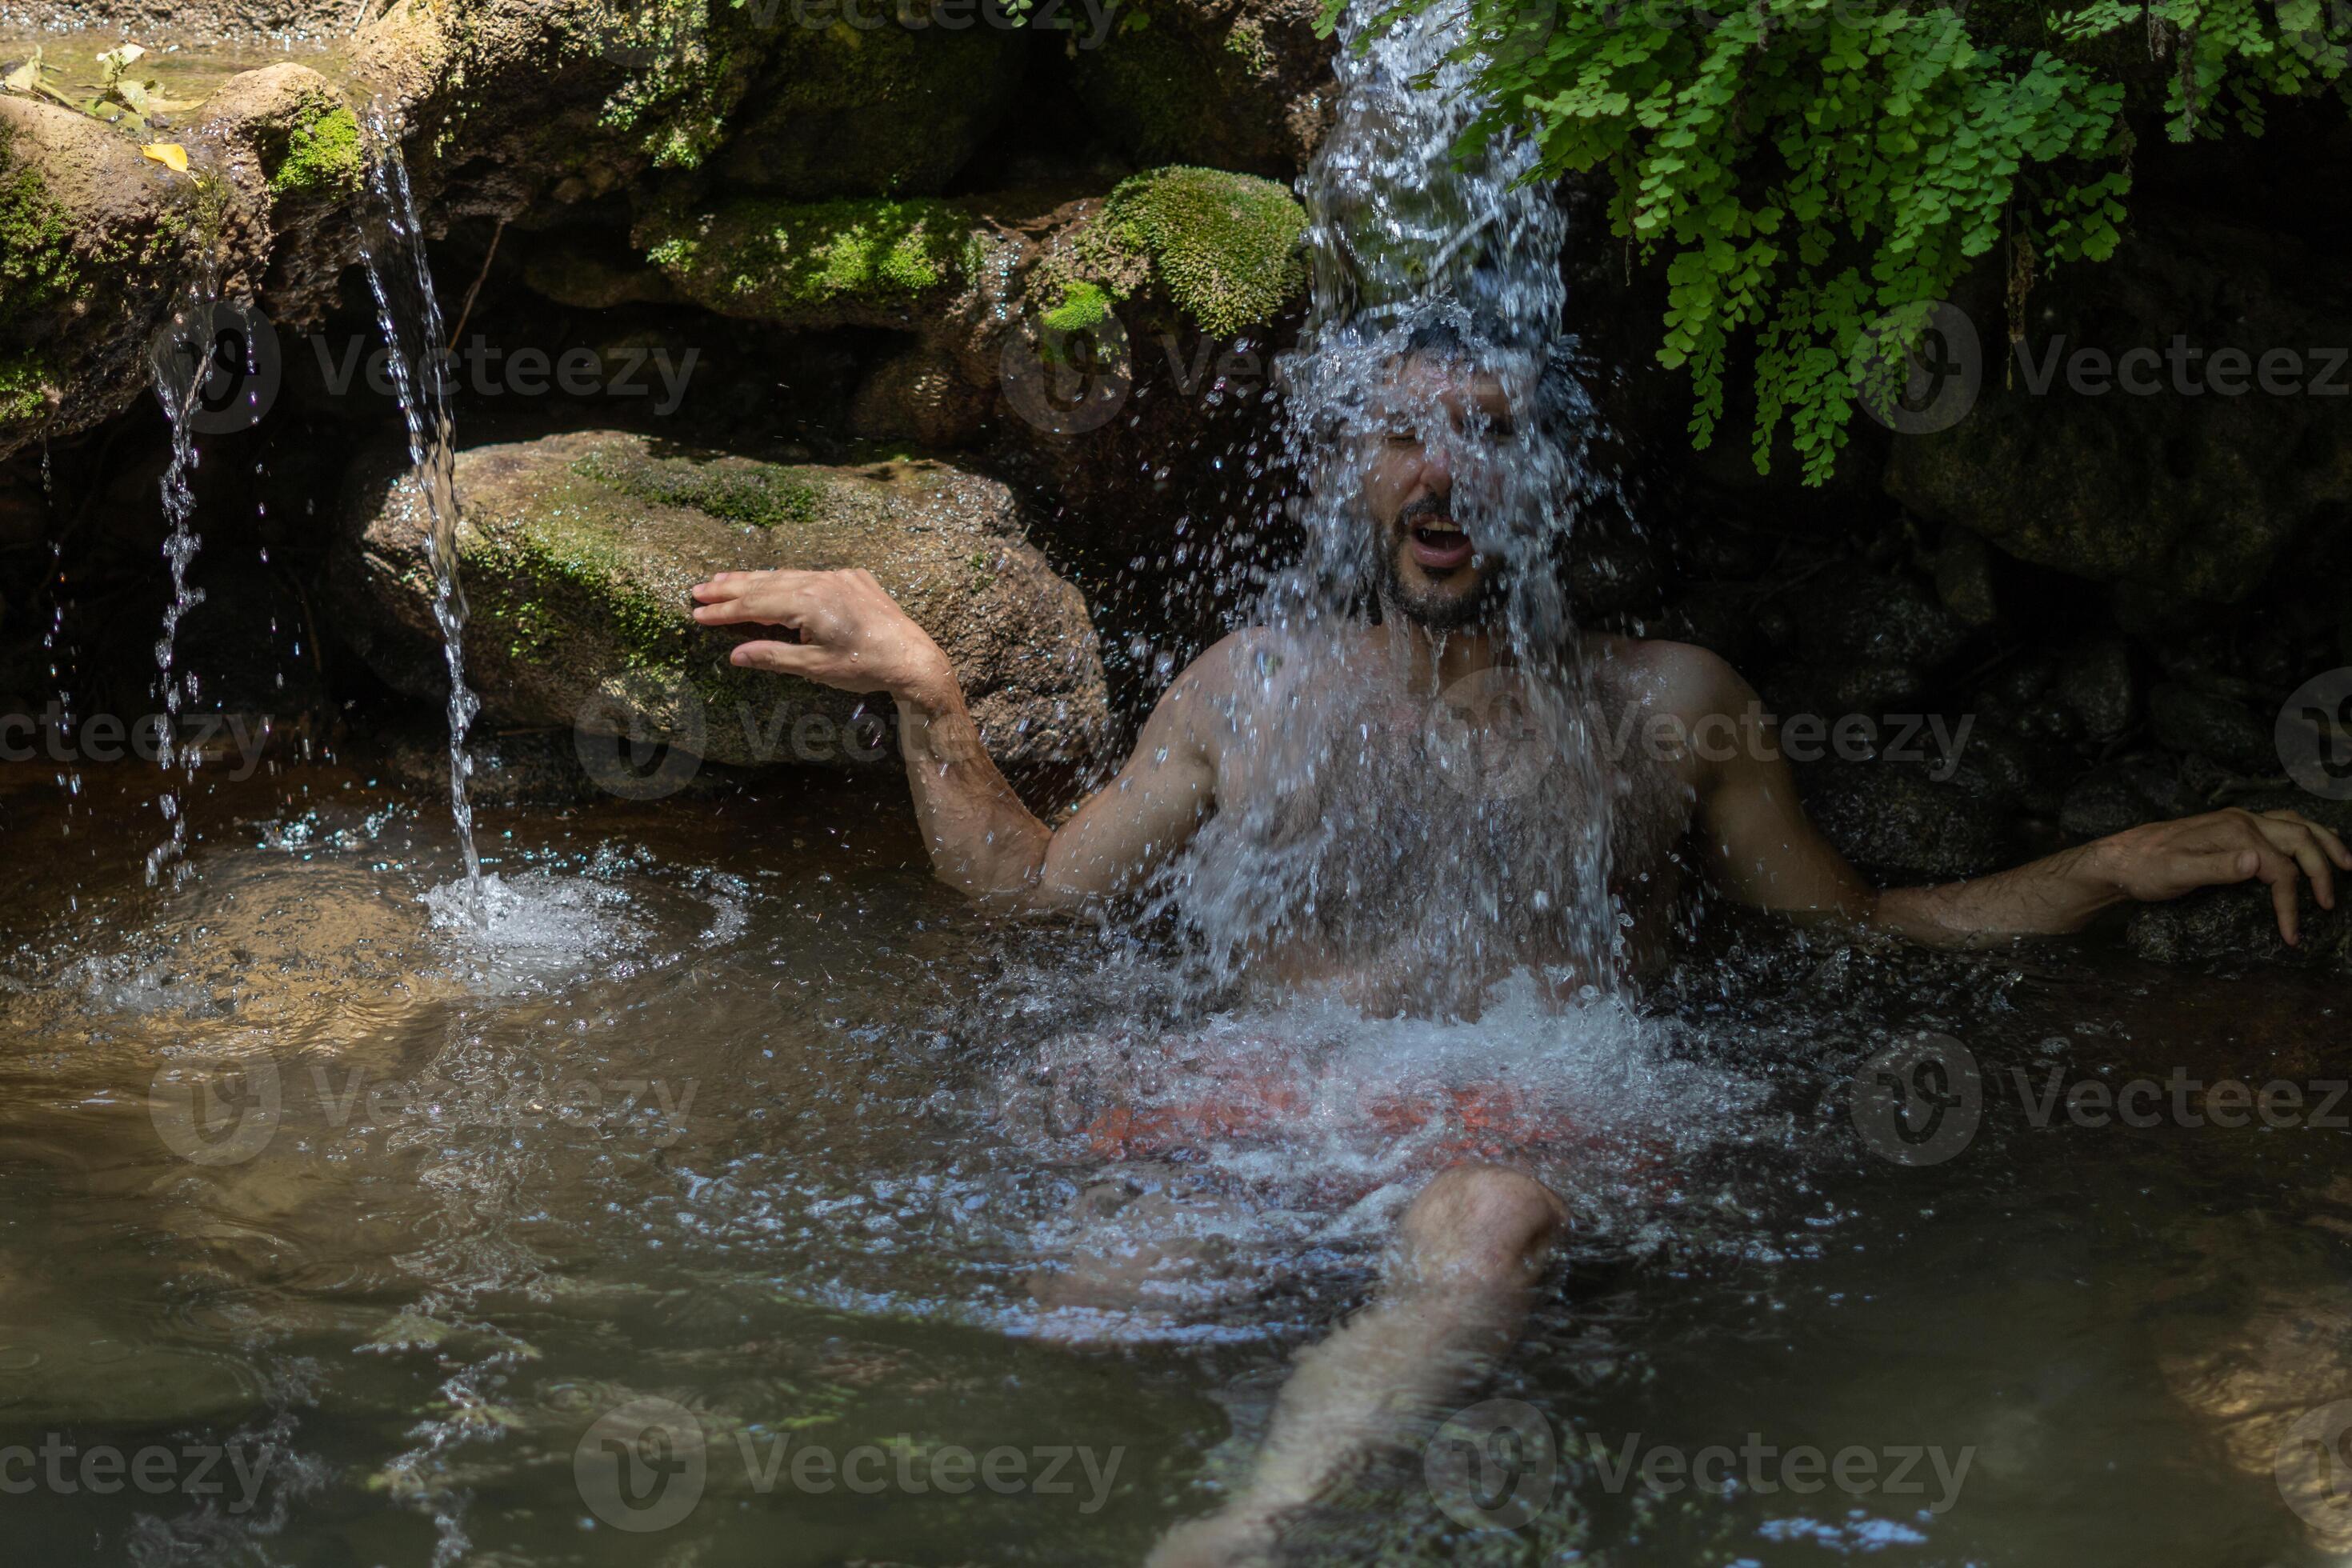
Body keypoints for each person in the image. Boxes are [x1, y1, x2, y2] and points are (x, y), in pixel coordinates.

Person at [689, 342, 2350, 1564]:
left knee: (1482, 1217)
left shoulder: (1670, 703)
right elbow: (1036, 896)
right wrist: (927, 693)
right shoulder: (1247, 683)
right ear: (1351, 473)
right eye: (1402, 431)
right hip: (1269, 1103)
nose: (1443, 467)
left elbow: (1862, 933)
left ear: (1551, 481)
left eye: (1488, 434)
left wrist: (2123, 861)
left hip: (1538, 1116)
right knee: (1075, 1319)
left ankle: (1249, 1534)